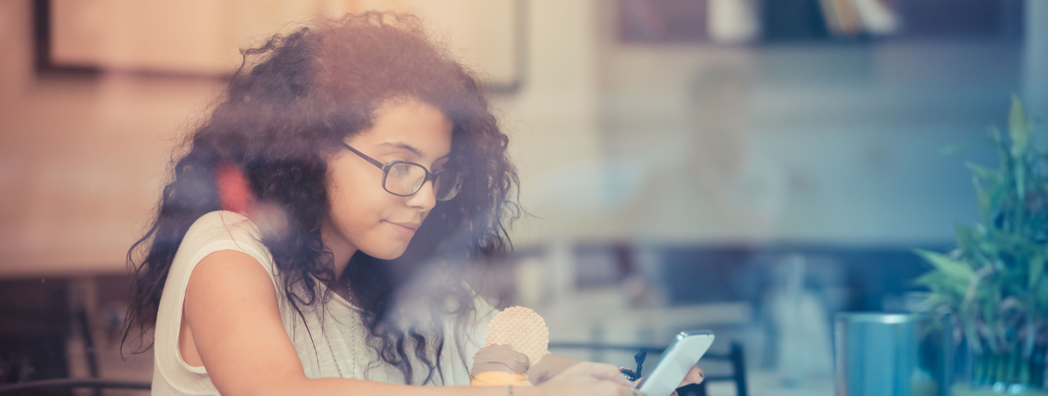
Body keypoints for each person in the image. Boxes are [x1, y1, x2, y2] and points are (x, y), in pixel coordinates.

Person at [122, 12, 703, 396]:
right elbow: (283, 390)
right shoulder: (227, 249)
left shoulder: (386, 276)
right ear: (310, 153)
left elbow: (504, 355)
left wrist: (616, 380)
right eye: (400, 166)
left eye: (439, 174)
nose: (424, 197)